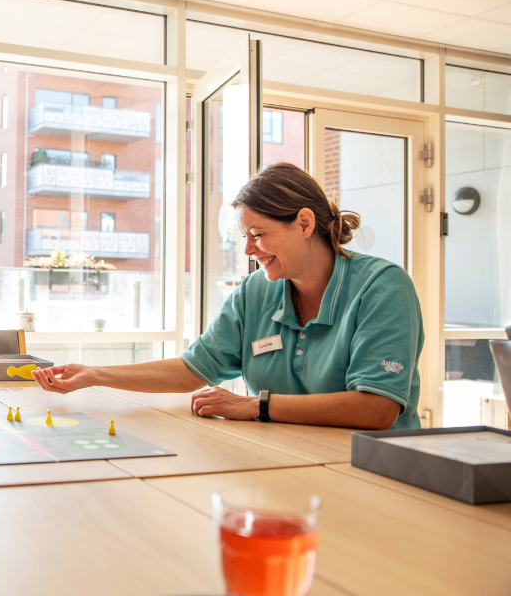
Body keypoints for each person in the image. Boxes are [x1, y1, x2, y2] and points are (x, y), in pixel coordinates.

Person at [32, 163, 424, 431]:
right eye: (245, 237)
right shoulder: (256, 292)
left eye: (259, 234)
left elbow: (376, 409)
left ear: (304, 223)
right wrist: (97, 376)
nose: (250, 250)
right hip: (288, 459)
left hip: (372, 468)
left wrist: (257, 405)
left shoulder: (382, 287)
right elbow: (193, 369)